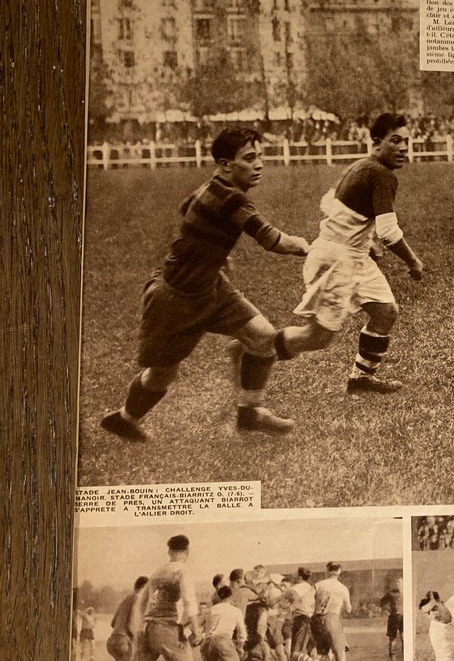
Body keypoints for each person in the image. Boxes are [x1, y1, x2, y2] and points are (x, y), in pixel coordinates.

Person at [100, 126, 310, 443]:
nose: (259, 164)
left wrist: (208, 252)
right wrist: (311, 247)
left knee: (263, 337)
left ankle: (249, 413)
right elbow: (272, 240)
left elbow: (187, 207)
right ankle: (126, 419)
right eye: (249, 158)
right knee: (161, 375)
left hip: (212, 286)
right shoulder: (232, 199)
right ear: (226, 165)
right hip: (176, 298)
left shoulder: (211, 189)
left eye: (261, 157)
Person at [273, 113, 424, 395]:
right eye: (396, 141)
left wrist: (365, 239)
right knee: (318, 336)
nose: (404, 147)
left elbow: (328, 203)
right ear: (377, 143)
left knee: (385, 311)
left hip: (350, 254)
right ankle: (257, 348)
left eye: (406, 141)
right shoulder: (382, 174)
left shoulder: (360, 166)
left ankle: (360, 379)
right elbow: (390, 232)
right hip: (337, 259)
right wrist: (413, 261)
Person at [90, 534, 205, 661]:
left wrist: (142, 628)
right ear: (187, 552)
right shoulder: (183, 571)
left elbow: (142, 603)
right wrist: (196, 631)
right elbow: (189, 602)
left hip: (148, 627)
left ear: (169, 551)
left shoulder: (156, 572)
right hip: (165, 626)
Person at [311, 562, 352, 661]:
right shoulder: (342, 588)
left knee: (322, 651)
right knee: (340, 653)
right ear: (339, 571)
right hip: (332, 618)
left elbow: (307, 600)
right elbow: (349, 609)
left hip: (316, 620)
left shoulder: (318, 585)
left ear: (327, 571)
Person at [201, 584, 246, 661]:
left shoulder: (210, 610)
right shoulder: (235, 611)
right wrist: (240, 648)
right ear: (231, 597)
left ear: (219, 597)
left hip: (207, 642)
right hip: (223, 640)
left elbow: (198, 627)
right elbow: (242, 633)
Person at [105, 576, 149, 661]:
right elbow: (131, 623)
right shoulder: (137, 599)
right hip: (123, 642)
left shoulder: (126, 599)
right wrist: (135, 639)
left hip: (112, 641)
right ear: (144, 587)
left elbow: (112, 623)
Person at [379, 580, 404, 657]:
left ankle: (392, 655)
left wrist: (387, 611)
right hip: (402, 616)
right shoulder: (403, 593)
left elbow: (381, 603)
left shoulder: (390, 594)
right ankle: (404, 653)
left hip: (394, 616)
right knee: (403, 635)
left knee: (392, 637)